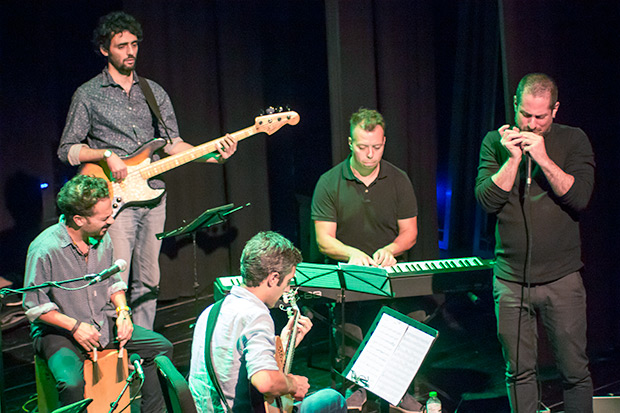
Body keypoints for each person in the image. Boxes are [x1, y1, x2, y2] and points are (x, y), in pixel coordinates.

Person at [57, 11, 237, 330]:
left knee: (149, 280)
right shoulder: (88, 95)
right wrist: (107, 154)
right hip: (114, 201)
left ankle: (142, 346)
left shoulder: (152, 92)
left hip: (153, 199)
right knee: (116, 279)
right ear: (104, 50)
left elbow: (173, 144)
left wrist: (215, 157)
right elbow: (67, 150)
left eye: (134, 44)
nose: (130, 51)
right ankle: (114, 347)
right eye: (121, 45)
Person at [475, 73, 595, 413]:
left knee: (574, 372)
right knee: (519, 373)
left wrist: (542, 157)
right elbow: (486, 201)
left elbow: (580, 198)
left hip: (563, 280)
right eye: (525, 114)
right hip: (511, 281)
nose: (531, 123)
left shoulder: (574, 140)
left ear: (554, 110)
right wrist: (511, 159)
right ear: (515, 106)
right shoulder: (493, 143)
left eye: (540, 117)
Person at [23, 175, 173, 412]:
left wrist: (123, 313)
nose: (112, 221)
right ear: (79, 219)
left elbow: (114, 283)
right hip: (59, 332)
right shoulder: (44, 249)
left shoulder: (102, 239)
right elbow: (34, 306)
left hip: (100, 322)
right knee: (71, 383)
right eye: (104, 217)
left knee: (160, 347)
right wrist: (75, 327)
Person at [188, 231, 347, 413]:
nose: (288, 289)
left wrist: (285, 345)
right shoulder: (255, 315)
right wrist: (293, 384)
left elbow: (235, 367)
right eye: (288, 282)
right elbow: (265, 382)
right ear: (273, 278)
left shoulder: (211, 311)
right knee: (332, 399)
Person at [311, 108, 418, 267]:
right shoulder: (328, 182)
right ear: (350, 144)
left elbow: (409, 232)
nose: (370, 154)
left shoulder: (399, 179)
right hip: (345, 272)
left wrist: (390, 250)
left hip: (388, 269)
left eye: (377, 147)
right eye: (362, 147)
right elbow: (324, 239)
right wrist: (352, 254)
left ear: (384, 142)